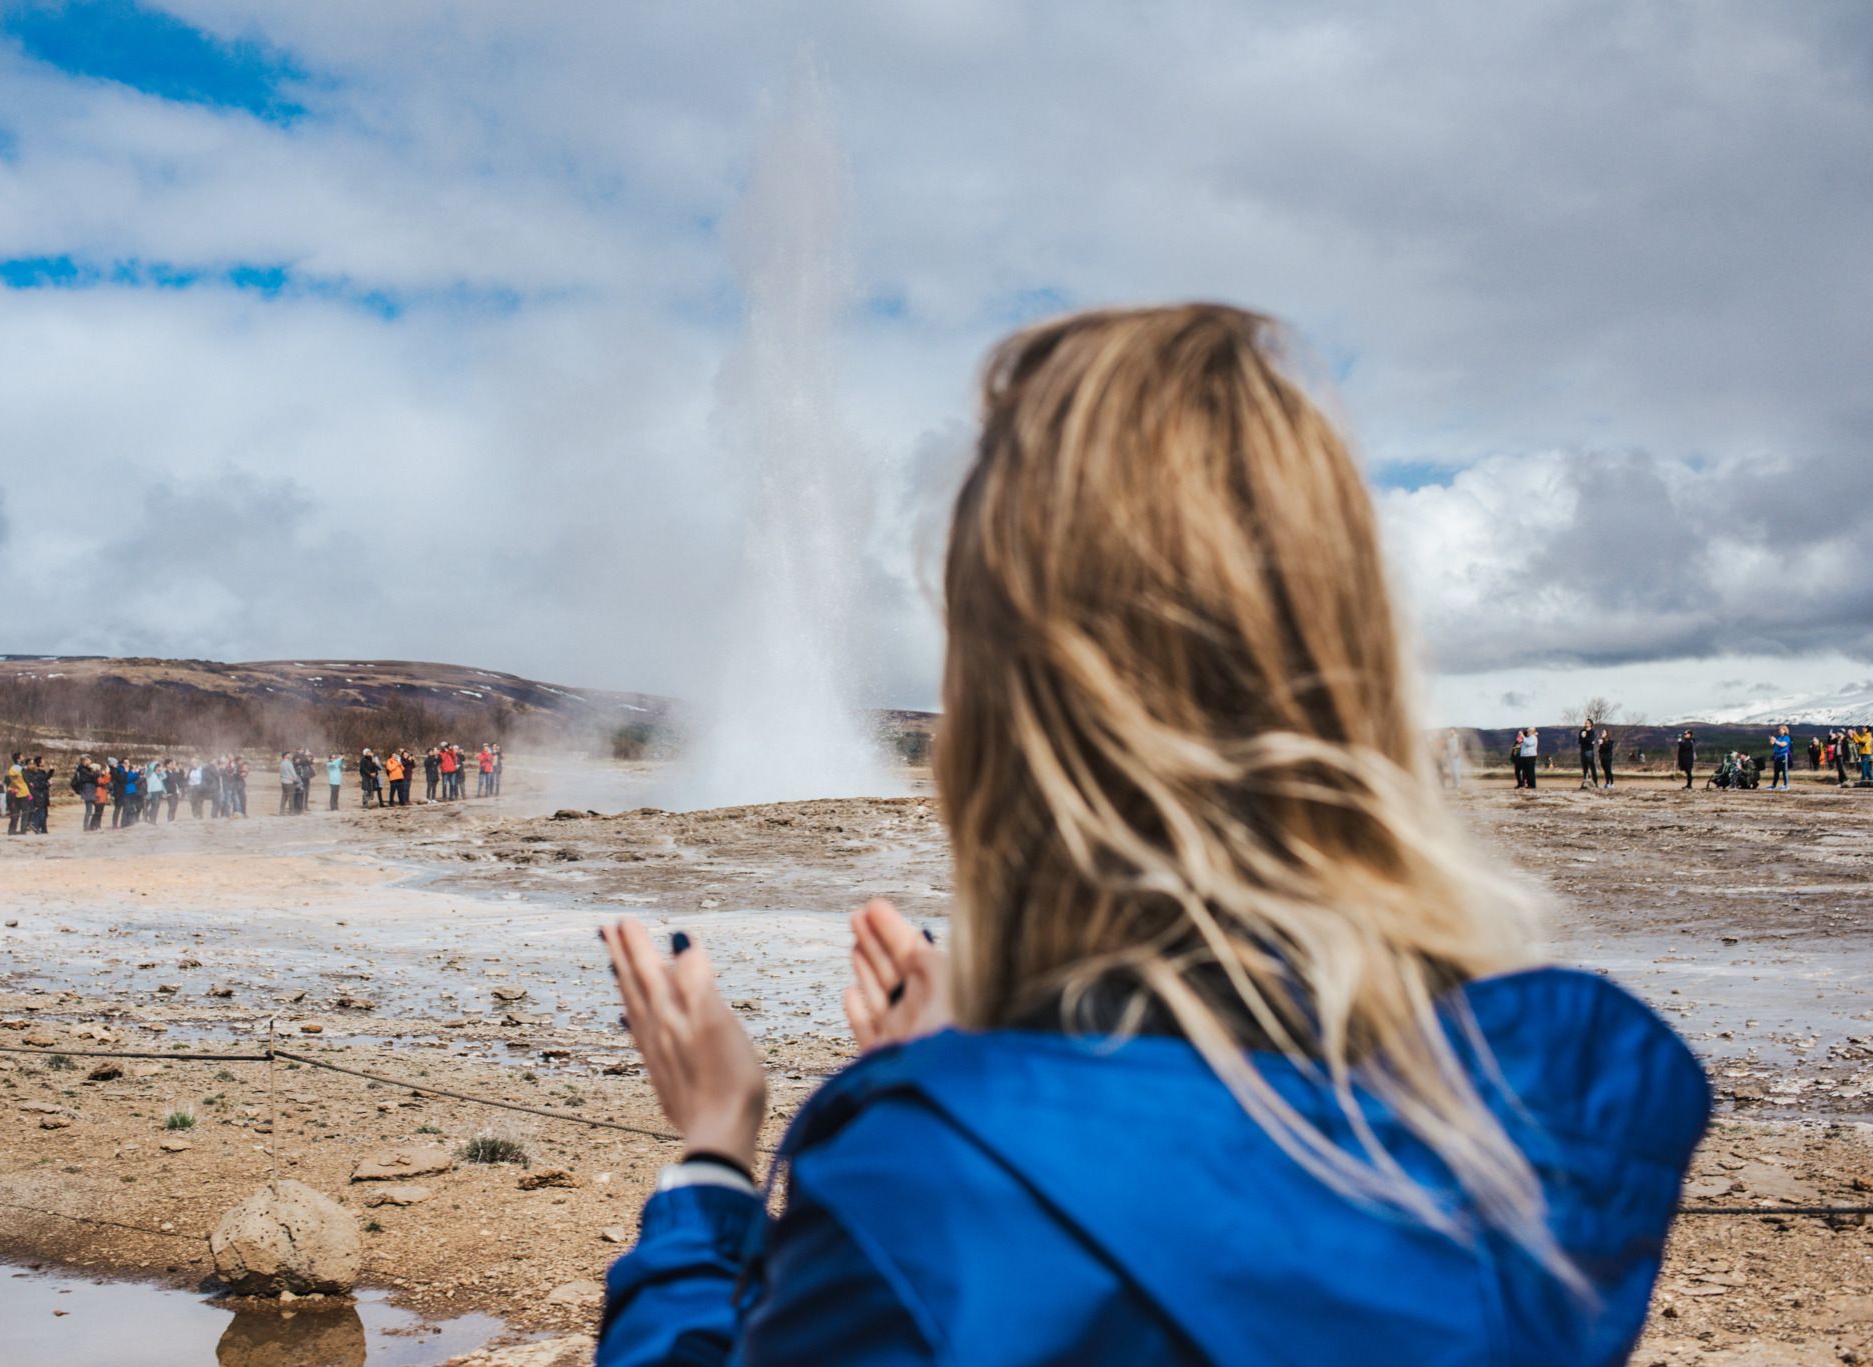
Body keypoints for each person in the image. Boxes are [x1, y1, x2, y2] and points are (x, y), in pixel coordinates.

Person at [595, 305, 1706, 1367]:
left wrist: (710, 1163)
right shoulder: (1531, 1148)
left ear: (1020, 713)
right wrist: (974, 1081)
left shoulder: (926, 1200)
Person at [1576, 720, 1597, 789]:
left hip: (1589, 751)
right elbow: (1580, 741)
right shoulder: (1582, 731)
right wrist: (1583, 738)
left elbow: (1590, 741)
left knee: (1592, 767)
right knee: (1585, 767)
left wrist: (1585, 738)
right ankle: (1585, 782)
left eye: (1587, 723)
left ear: (1591, 724)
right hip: (1583, 750)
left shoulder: (1592, 732)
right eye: (1585, 723)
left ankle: (1595, 782)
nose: (1586, 724)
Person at [1771, 724, 1793, 789]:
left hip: (1783, 755)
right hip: (1777, 756)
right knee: (1776, 771)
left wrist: (1775, 741)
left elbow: (1783, 744)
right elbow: (1773, 744)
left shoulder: (1787, 738)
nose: (1779, 731)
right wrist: (1772, 741)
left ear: (1784, 730)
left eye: (1780, 730)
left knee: (1784, 770)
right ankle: (1773, 785)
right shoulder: (1778, 738)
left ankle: (1786, 785)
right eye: (1779, 730)